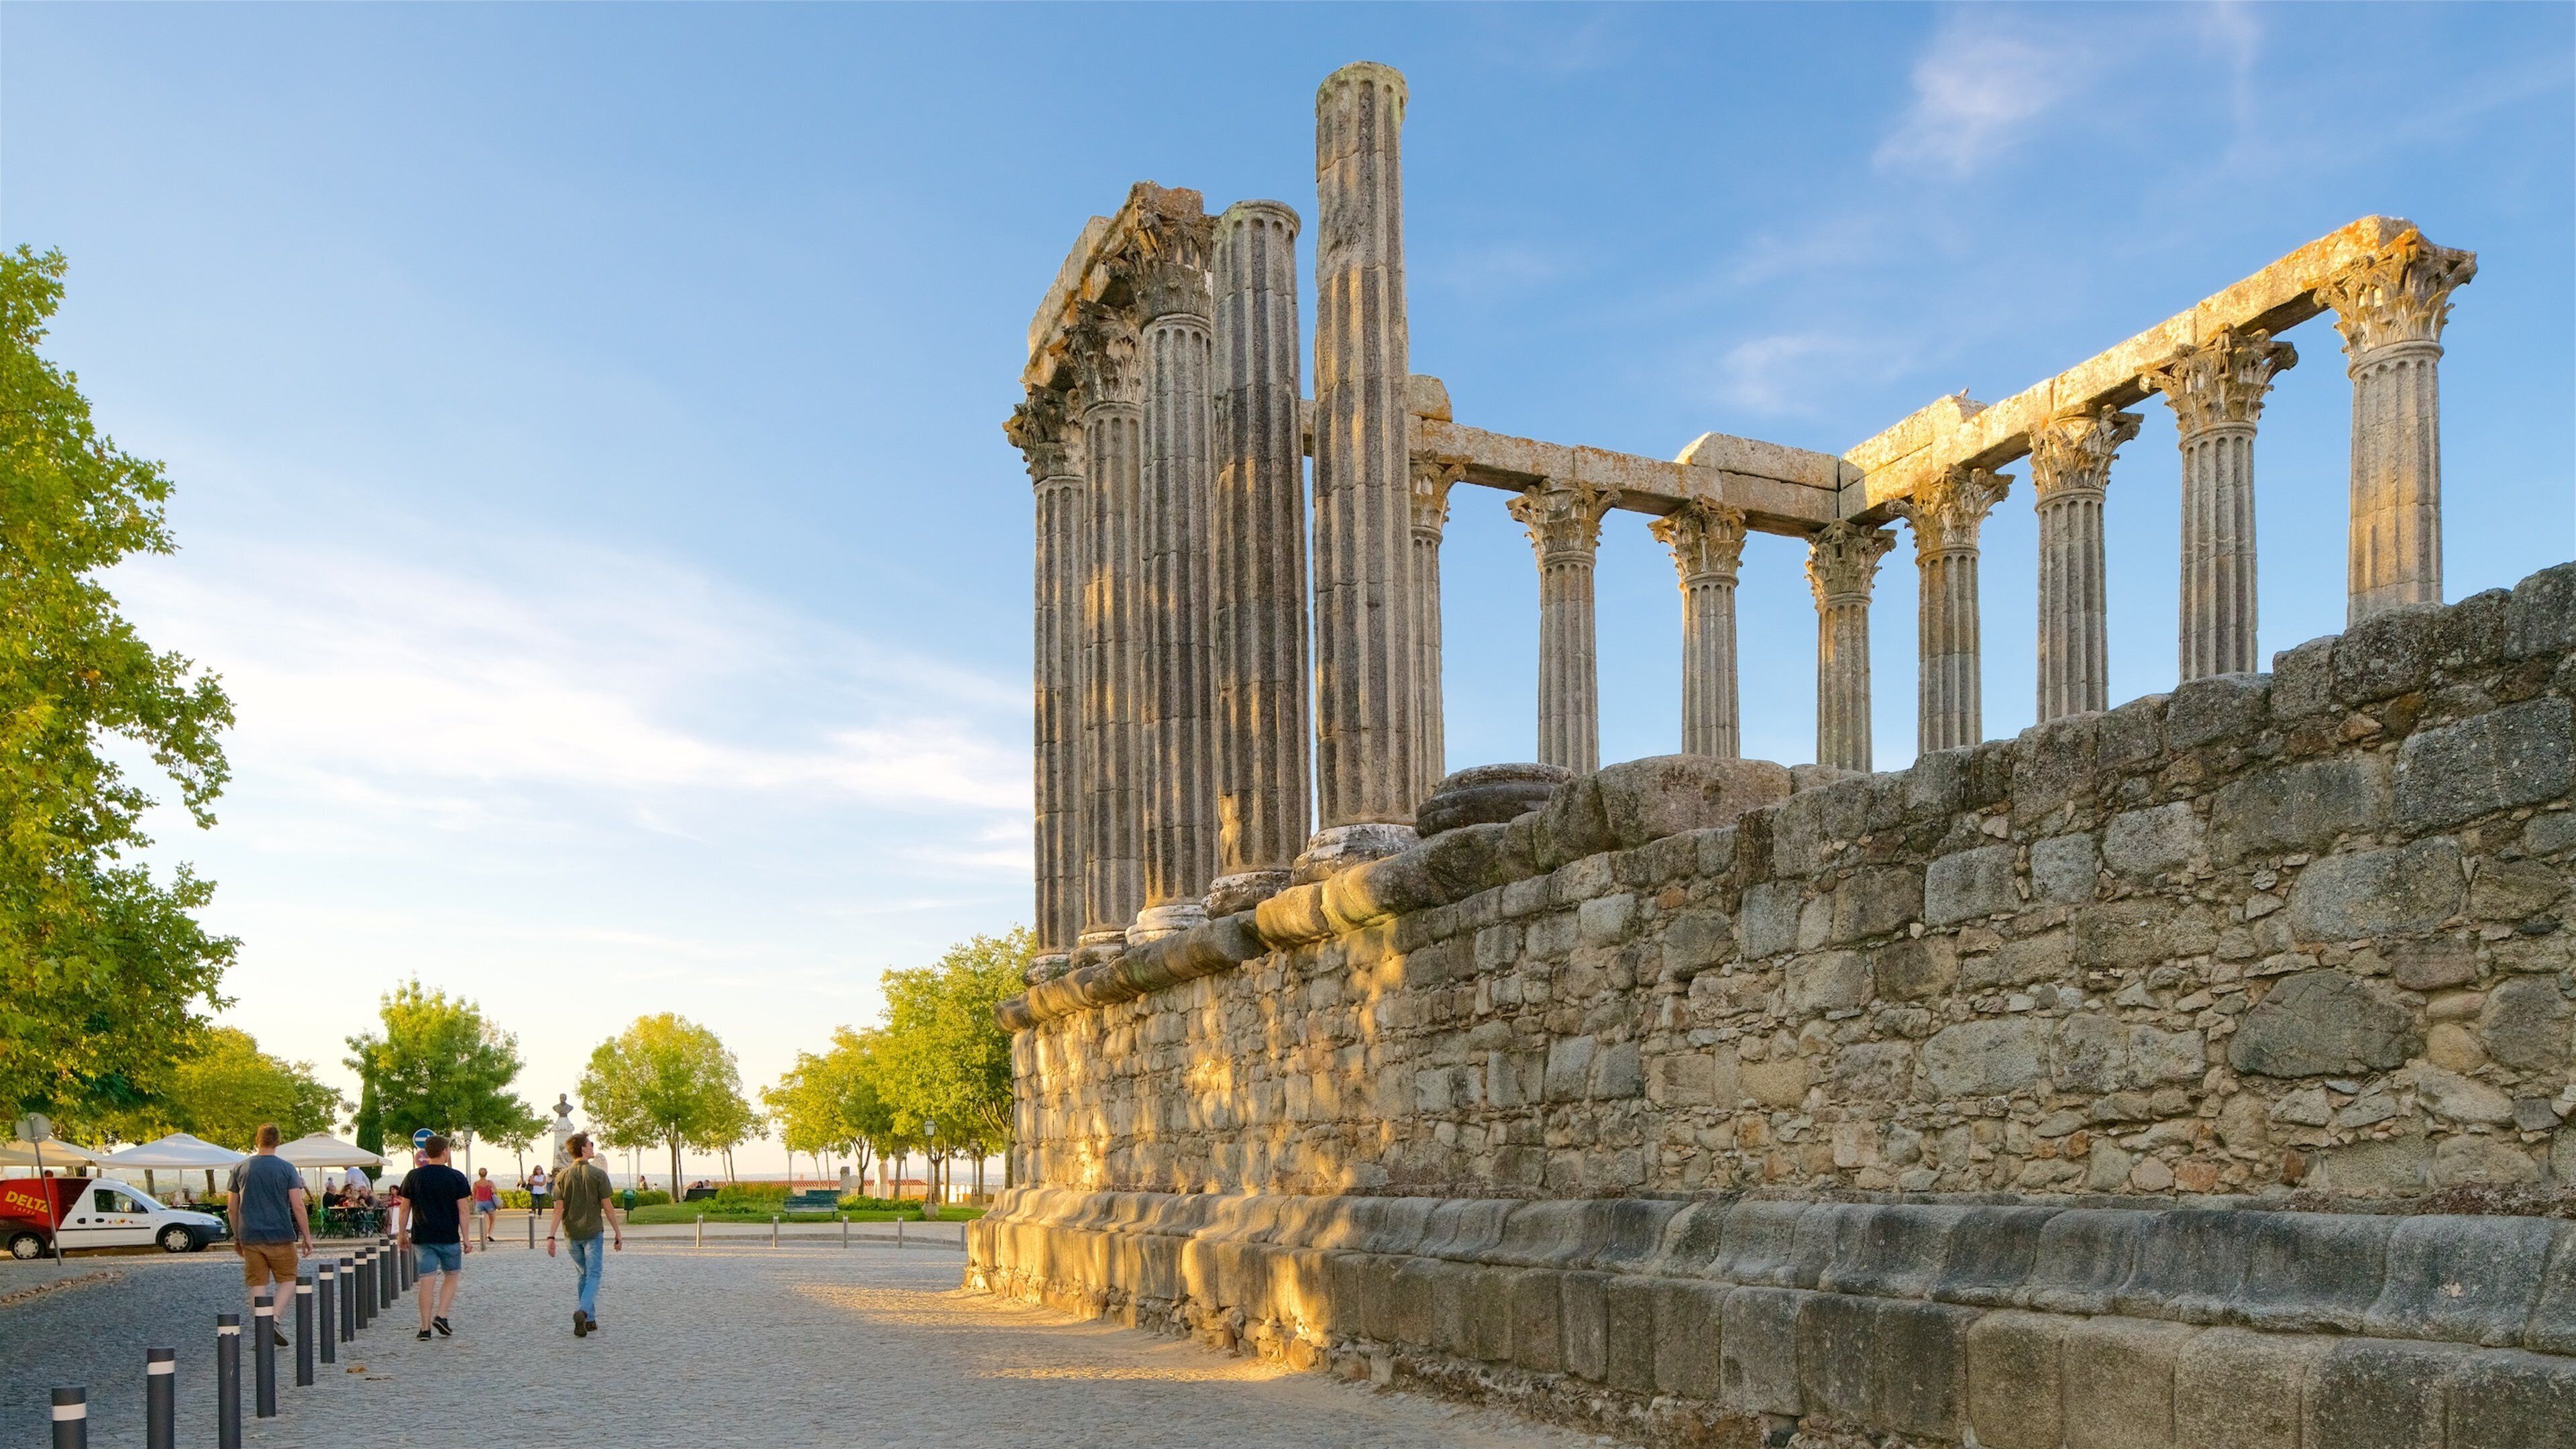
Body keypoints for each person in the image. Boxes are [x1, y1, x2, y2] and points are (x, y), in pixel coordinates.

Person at [225, 1124, 312, 1348]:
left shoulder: (240, 1168)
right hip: (281, 1234)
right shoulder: (287, 1169)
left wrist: (237, 1237)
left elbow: (232, 1208)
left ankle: (263, 1324)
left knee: (257, 1284)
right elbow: (298, 1205)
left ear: (258, 1140)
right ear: (278, 1142)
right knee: (288, 1280)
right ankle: (273, 1318)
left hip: (250, 1236)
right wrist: (307, 1236)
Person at [395, 1134, 473, 1341]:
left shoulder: (413, 1177)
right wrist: (466, 1238)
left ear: (426, 1153)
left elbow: (404, 1209)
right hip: (448, 1237)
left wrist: (402, 1233)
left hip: (423, 1237)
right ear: (445, 1151)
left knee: (427, 1281)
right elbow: (463, 1210)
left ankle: (424, 1328)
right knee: (452, 1275)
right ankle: (442, 1315)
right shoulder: (456, 1177)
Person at [545, 1133, 622, 1338]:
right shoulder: (598, 1175)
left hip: (571, 1234)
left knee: (582, 1274)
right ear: (583, 1149)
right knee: (594, 1274)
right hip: (592, 1231)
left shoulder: (561, 1177)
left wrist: (551, 1237)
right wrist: (617, 1232)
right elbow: (608, 1208)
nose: (593, 1146)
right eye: (590, 1144)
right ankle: (583, 1312)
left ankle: (589, 1320)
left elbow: (558, 1210)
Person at [470, 1167, 498, 1247]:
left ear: (479, 1174)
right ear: (486, 1174)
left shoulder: (475, 1184)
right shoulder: (490, 1183)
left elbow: (474, 1195)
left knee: (484, 1221)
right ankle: (489, 1234)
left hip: (479, 1204)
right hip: (489, 1203)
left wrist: (475, 1202)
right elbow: (496, 1191)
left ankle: (484, 1236)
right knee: (492, 1220)